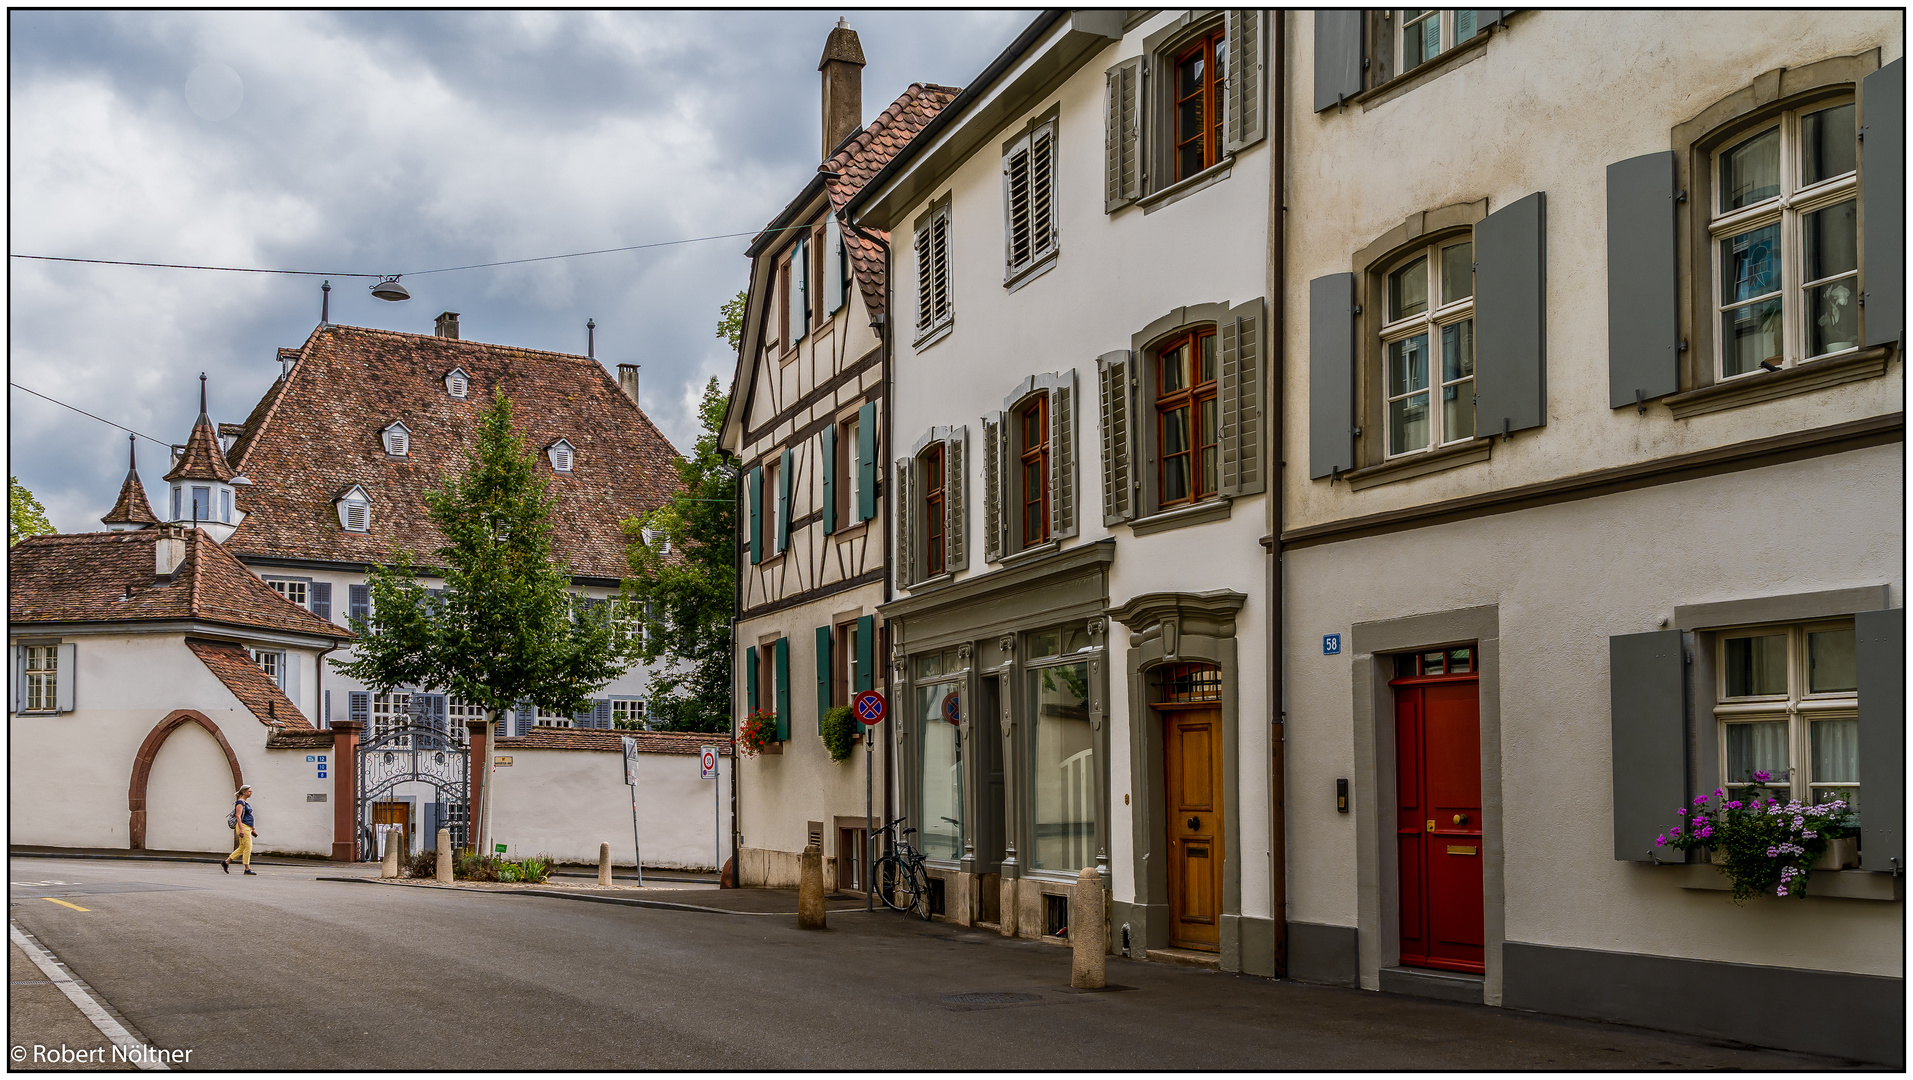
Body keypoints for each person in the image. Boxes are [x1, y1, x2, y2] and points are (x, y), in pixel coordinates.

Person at [222, 786, 258, 875]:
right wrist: (241, 829)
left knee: (242, 847)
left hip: (247, 827)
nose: (251, 793)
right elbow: (238, 816)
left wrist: (252, 829)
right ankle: (247, 869)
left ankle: (226, 862)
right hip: (243, 826)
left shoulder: (245, 802)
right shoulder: (240, 802)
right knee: (248, 847)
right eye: (249, 791)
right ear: (244, 792)